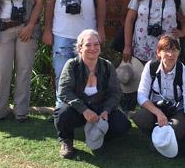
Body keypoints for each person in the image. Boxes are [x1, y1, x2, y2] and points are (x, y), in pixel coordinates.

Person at [43, 0, 106, 100]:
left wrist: (100, 29)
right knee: (62, 76)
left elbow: (101, 0)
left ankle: (85, 109)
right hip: (61, 33)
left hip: (87, 35)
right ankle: (61, 109)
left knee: (87, 76)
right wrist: (47, 30)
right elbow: (49, 1)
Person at [54, 29, 131, 159]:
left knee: (122, 125)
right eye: (88, 45)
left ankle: (99, 135)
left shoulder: (107, 66)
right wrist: (84, 110)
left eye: (96, 44)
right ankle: (66, 141)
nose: (93, 48)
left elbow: (115, 93)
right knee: (62, 113)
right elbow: (64, 91)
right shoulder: (72, 65)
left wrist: (106, 110)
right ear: (80, 48)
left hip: (100, 108)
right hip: (78, 109)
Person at [133, 34, 185, 160]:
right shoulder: (150, 67)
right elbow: (141, 96)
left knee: (178, 130)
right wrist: (158, 113)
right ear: (158, 52)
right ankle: (157, 136)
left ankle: (170, 137)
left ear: (179, 52)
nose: (170, 54)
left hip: (177, 111)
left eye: (174, 50)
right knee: (140, 117)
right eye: (166, 50)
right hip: (156, 109)